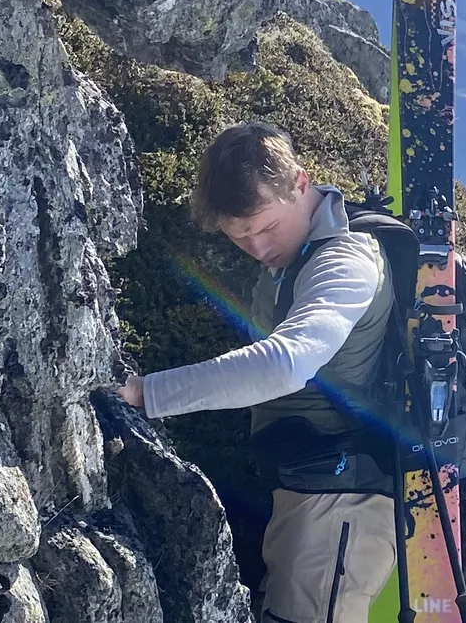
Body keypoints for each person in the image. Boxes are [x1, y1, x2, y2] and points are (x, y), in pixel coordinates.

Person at [116, 121, 399, 623]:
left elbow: (284, 364)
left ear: (301, 183)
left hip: (341, 503)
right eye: (241, 238)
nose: (260, 249)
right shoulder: (291, 261)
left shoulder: (346, 261)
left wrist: (146, 394)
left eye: (267, 228)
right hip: (305, 493)